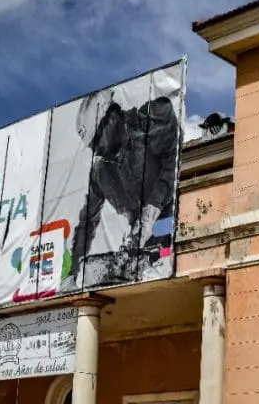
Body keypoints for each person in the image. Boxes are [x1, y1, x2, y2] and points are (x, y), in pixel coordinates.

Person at [68, 88, 180, 287]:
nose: (97, 149)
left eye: (97, 139)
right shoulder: (100, 172)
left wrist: (154, 204)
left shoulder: (151, 119)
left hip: (176, 226)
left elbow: (174, 158)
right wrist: (72, 272)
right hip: (144, 250)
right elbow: (87, 222)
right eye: (92, 145)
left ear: (111, 118)